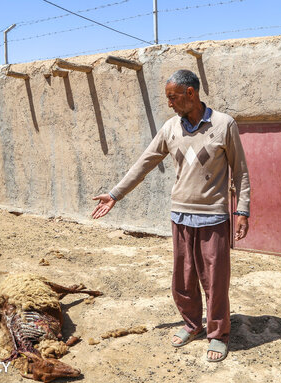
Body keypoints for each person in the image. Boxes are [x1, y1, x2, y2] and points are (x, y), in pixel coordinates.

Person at [92, 69, 250, 362]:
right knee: (183, 278)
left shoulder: (223, 124)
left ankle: (218, 334)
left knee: (215, 279)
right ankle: (192, 325)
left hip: (213, 217)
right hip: (180, 216)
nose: (169, 103)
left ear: (190, 94)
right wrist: (115, 194)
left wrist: (242, 210)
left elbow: (240, 171)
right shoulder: (170, 129)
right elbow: (144, 163)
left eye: (172, 97)